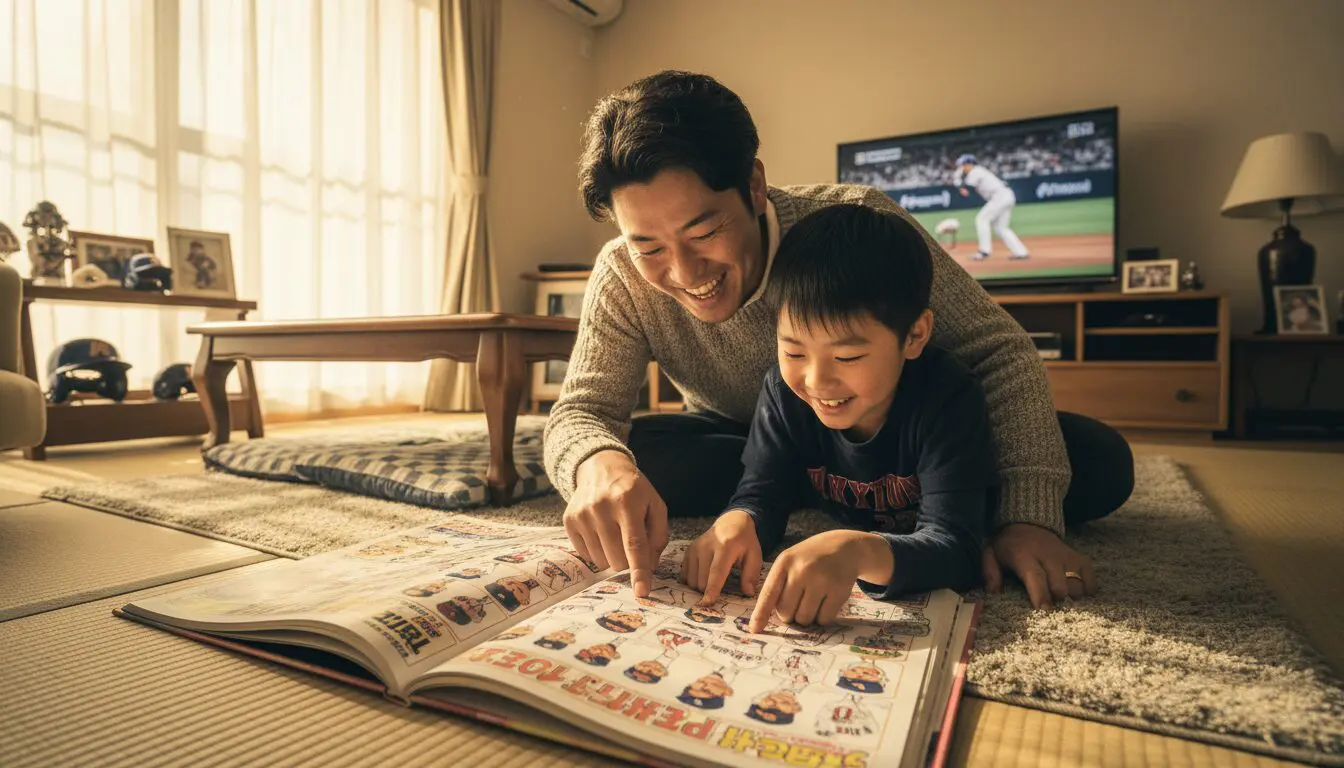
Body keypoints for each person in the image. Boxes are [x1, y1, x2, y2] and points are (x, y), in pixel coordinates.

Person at [545, 70, 1133, 609]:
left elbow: (997, 351)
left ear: (753, 186)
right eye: (649, 245)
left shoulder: (854, 227)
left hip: (896, 439)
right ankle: (787, 496)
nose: (685, 271)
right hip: (749, 439)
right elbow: (581, 412)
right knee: (631, 460)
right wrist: (597, 465)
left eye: (704, 231)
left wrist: (1028, 518)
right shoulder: (622, 272)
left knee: (1094, 459)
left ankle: (853, 496)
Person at [679, 204, 994, 628]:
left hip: (955, 477)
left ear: (915, 335)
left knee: (1097, 461)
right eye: (793, 351)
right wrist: (740, 520)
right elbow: (760, 497)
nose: (817, 381)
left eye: (848, 356)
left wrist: (858, 551)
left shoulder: (947, 396)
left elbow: (957, 548)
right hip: (830, 489)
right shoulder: (783, 392)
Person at [952, 154, 1030, 261]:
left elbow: (968, 188)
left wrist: (957, 180)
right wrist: (959, 182)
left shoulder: (976, 171)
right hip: (1005, 196)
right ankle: (1021, 252)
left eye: (963, 165)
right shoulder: (977, 171)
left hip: (999, 196)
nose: (962, 168)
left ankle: (984, 251)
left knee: (981, 219)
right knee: (1001, 228)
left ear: (970, 164)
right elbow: (966, 190)